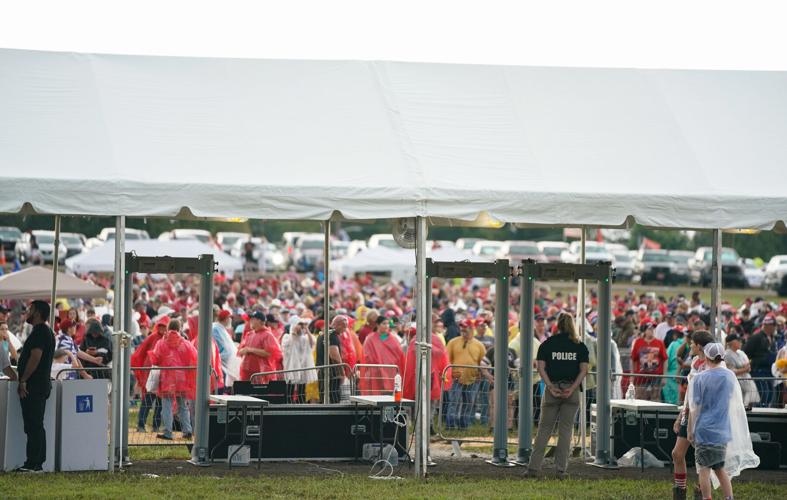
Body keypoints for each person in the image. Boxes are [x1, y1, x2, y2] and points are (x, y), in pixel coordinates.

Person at [689, 343, 758, 500]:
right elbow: (735, 402)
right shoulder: (729, 376)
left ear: (706, 357)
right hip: (722, 430)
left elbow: (695, 408)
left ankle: (707, 498)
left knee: (704, 470)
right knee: (720, 468)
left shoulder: (699, 378)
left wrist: (690, 431)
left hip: (704, 430)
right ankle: (729, 498)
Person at [525, 312, 589, 478]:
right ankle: (561, 470)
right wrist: (573, 387)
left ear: (557, 325)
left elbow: (540, 367)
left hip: (552, 390)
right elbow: (584, 370)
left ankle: (533, 468)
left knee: (544, 430)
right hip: (571, 391)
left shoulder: (547, 344)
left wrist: (550, 386)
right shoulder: (580, 346)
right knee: (566, 431)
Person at [670, 330, 714, 500]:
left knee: (702, 459)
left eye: (692, 343)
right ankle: (680, 493)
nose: (689, 345)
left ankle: (701, 492)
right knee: (677, 454)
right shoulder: (695, 361)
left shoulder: (711, 364)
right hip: (689, 414)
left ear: (700, 346)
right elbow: (690, 391)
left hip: (704, 416)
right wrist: (682, 413)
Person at [15, 300, 55, 472]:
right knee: (35, 424)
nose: (27, 312)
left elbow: (35, 357)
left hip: (34, 385)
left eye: (30, 310)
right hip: (39, 384)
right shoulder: (44, 332)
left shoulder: (40, 332)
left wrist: (24, 379)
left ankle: (33, 463)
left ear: (37, 312)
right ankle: (36, 462)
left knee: (34, 424)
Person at [149, 319, 197, 440]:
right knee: (183, 405)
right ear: (179, 328)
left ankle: (168, 432)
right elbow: (194, 358)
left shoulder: (161, 343)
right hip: (182, 379)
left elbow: (155, 359)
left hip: (167, 379)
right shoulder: (186, 343)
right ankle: (187, 431)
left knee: (167, 406)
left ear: (168, 328)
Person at [445, 317, 486, 429]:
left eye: (465, 328)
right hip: (456, 378)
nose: (463, 331)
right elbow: (447, 359)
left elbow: (483, 362)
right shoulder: (453, 342)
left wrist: (481, 375)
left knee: (469, 403)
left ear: (472, 328)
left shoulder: (479, 345)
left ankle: (464, 424)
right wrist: (450, 373)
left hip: (473, 378)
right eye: (462, 328)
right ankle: (451, 425)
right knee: (454, 401)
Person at [131, 316, 168, 433]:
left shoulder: (168, 338)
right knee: (147, 400)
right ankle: (141, 425)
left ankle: (155, 426)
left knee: (159, 403)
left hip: (164, 375)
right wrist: (142, 372)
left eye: (164, 326)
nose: (162, 328)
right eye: (160, 326)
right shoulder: (152, 337)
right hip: (152, 373)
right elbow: (141, 352)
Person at [360, 316, 405, 395]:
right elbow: (367, 355)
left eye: (388, 324)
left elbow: (399, 355)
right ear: (377, 325)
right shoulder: (370, 339)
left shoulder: (393, 339)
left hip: (390, 372)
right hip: (376, 372)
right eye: (384, 324)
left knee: (391, 396)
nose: (387, 326)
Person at [742, 315, 778, 406]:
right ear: (767, 325)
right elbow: (745, 353)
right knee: (763, 395)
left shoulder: (773, 338)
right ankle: (759, 417)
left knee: (770, 395)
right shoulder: (756, 338)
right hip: (758, 372)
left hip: (769, 372)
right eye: (774, 325)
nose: (775, 327)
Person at [238, 311, 282, 382]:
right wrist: (243, 351)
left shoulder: (268, 335)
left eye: (253, 319)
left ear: (259, 321)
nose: (250, 321)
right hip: (246, 373)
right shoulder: (249, 334)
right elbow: (240, 350)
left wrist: (250, 350)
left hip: (261, 375)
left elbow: (269, 353)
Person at [281, 318, 317, 403]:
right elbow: (286, 347)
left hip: (303, 367)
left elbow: (312, 343)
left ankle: (301, 405)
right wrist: (293, 332)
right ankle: (288, 405)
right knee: (290, 389)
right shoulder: (287, 337)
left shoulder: (305, 338)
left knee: (302, 390)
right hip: (291, 368)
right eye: (299, 325)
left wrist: (306, 329)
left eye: (301, 326)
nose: (300, 327)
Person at [631, 321, 668, 401]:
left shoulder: (659, 343)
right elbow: (633, 359)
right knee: (640, 398)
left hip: (656, 377)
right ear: (644, 331)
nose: (651, 330)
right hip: (641, 376)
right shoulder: (638, 342)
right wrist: (632, 375)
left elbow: (665, 359)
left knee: (655, 398)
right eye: (649, 329)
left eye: (653, 329)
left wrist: (664, 377)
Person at [724, 333, 760, 407]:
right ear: (731, 343)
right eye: (738, 341)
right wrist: (744, 369)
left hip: (747, 380)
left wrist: (745, 368)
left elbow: (748, 366)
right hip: (737, 382)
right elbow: (731, 372)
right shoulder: (727, 354)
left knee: (750, 403)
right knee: (740, 404)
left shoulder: (741, 352)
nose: (740, 342)